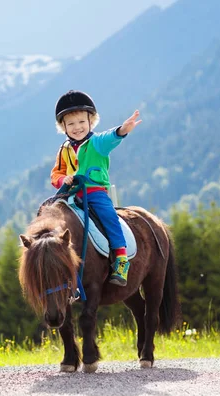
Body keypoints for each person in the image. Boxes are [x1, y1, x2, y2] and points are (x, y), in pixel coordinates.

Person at [50, 90, 142, 286]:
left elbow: (110, 137)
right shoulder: (64, 149)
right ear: (63, 127)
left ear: (91, 121)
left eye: (82, 122)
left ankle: (121, 258)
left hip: (94, 193)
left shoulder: (97, 143)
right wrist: (62, 180)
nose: (77, 127)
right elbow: (56, 173)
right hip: (70, 195)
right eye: (71, 123)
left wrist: (122, 130)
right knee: (49, 215)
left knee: (108, 215)